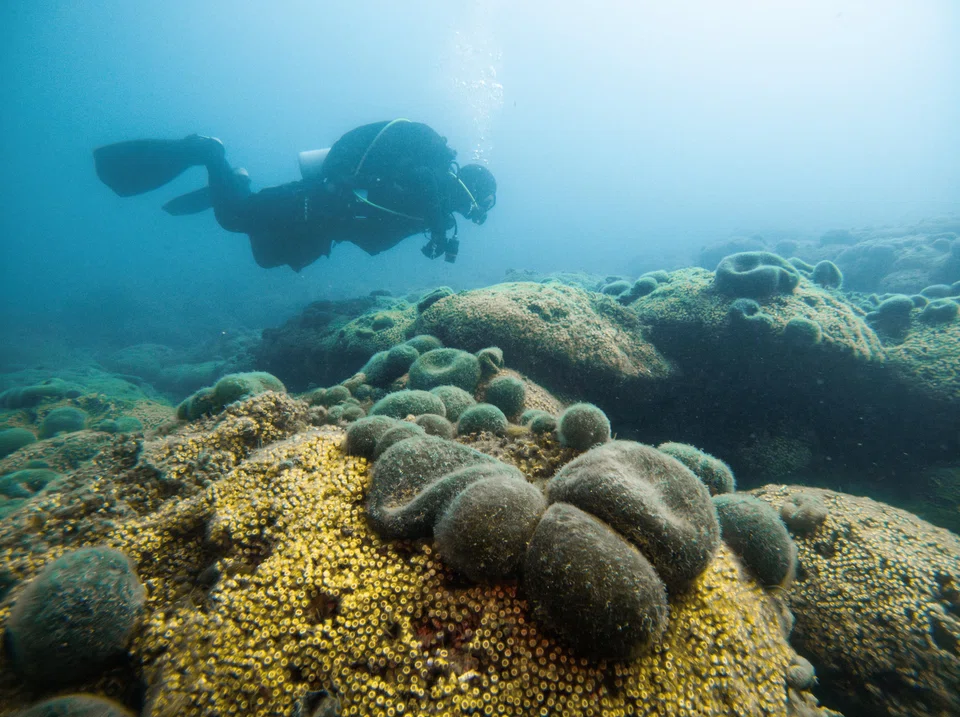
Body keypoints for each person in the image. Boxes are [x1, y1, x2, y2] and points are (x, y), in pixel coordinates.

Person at [93, 119, 497, 271]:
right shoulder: (430, 183)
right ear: (471, 189)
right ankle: (209, 153)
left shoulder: (437, 206)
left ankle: (238, 181)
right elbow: (378, 196)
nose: (477, 214)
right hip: (313, 202)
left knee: (265, 259)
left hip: (324, 226)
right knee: (232, 218)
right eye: (481, 204)